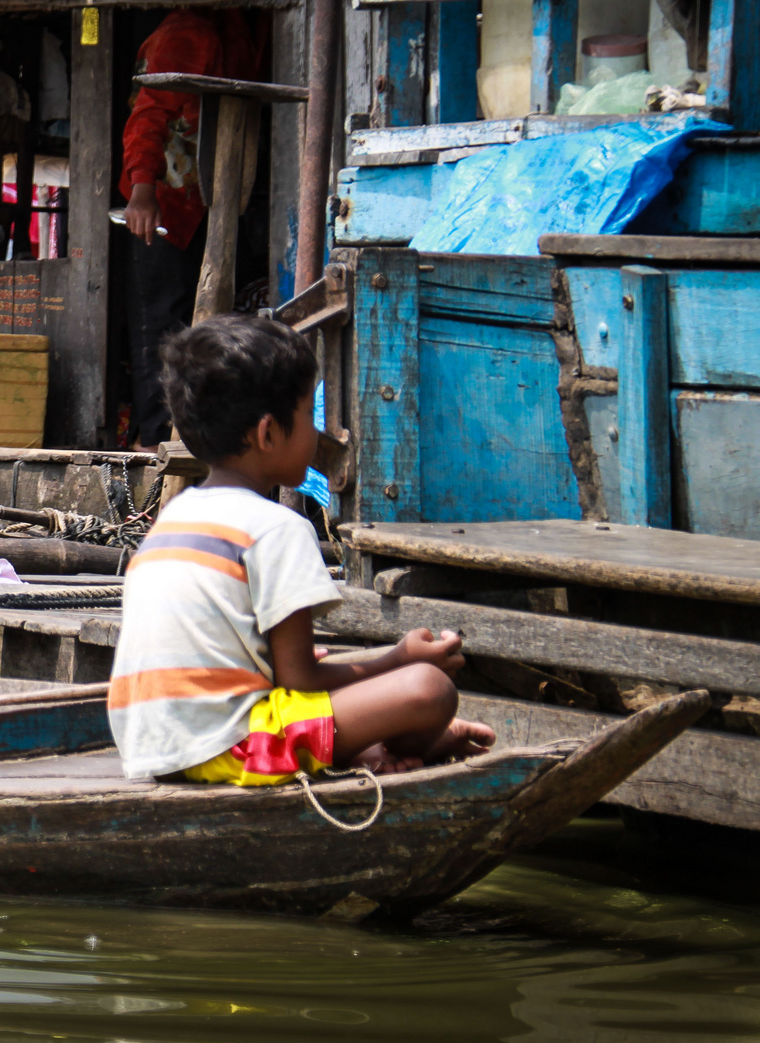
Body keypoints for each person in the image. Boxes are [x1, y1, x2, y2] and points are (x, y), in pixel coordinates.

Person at [109, 316, 494, 783]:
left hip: (154, 746)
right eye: (311, 415)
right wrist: (399, 659)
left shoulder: (174, 517)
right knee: (429, 688)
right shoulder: (278, 528)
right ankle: (405, 742)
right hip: (229, 746)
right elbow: (299, 683)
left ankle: (363, 748)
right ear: (268, 433)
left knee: (330, 667)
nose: (318, 434)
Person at [121, 9, 264, 453]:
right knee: (160, 326)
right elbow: (148, 115)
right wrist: (143, 192)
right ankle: (155, 440)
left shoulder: (245, 29)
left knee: (201, 323)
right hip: (168, 204)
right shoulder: (187, 31)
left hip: (214, 200)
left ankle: (195, 434)